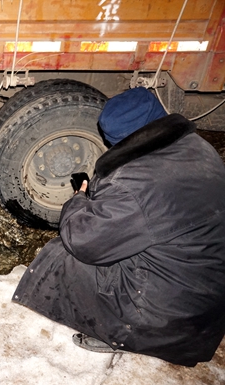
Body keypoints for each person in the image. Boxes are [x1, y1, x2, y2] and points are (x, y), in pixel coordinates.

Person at [12, 87, 225, 367]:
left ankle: (120, 334)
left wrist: (78, 200)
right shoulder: (199, 147)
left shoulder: (133, 183)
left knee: (65, 253)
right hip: (208, 307)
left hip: (169, 321)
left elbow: (83, 240)